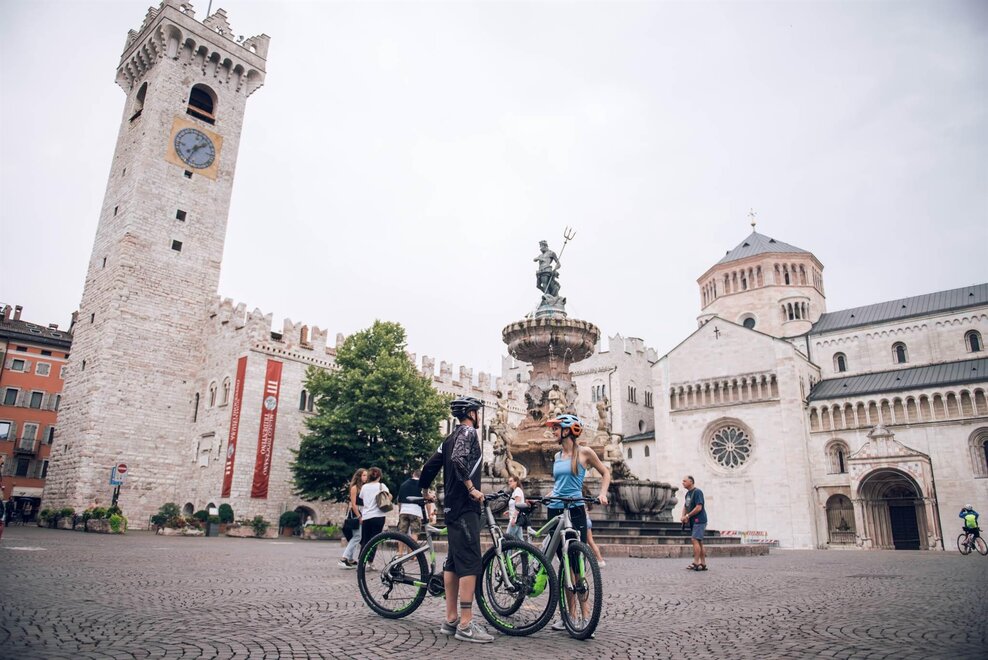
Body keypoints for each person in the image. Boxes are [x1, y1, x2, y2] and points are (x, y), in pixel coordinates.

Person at [419, 396, 494, 644]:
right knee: (471, 563)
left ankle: (451, 619)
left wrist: (424, 490)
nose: (478, 416)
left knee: (452, 563)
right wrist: (472, 488)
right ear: (471, 413)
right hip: (465, 506)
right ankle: (466, 624)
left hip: (451, 507)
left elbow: (429, 466)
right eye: (477, 412)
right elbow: (458, 460)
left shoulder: (449, 439)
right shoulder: (468, 432)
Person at [543, 413, 611, 632]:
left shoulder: (585, 452)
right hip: (555, 509)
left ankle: (586, 615)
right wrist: (548, 495)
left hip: (576, 509)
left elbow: (605, 472)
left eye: (556, 428)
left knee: (576, 563)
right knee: (564, 565)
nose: (553, 431)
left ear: (568, 430)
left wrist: (602, 493)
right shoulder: (557, 456)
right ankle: (569, 615)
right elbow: (559, 484)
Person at [359, 467, 390, 568]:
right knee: (374, 540)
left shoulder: (364, 487)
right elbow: (389, 497)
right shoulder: (382, 486)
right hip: (379, 516)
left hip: (366, 516)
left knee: (365, 539)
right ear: (379, 476)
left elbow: (362, 498)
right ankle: (370, 562)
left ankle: (361, 561)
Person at [338, 468, 367, 569]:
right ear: (359, 476)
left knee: (357, 537)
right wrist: (359, 516)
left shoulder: (364, 487)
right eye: (364, 475)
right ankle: (344, 558)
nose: (366, 477)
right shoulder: (354, 488)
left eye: (366, 475)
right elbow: (353, 504)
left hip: (363, 512)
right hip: (356, 513)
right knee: (357, 537)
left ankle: (350, 559)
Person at [680, 475, 707, 571]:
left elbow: (699, 507)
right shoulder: (688, 494)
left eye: (684, 481)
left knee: (694, 540)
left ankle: (696, 563)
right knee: (699, 541)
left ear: (691, 482)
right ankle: (703, 563)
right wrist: (683, 516)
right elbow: (685, 506)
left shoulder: (697, 492)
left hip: (699, 520)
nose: (683, 483)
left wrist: (687, 516)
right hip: (693, 520)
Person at [397, 469, 424, 555]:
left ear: (413, 474)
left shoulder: (403, 484)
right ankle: (413, 555)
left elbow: (399, 500)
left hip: (404, 510)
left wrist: (400, 510)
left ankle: (400, 553)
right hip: (415, 511)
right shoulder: (422, 484)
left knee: (402, 533)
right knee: (414, 532)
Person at [505, 475, 525, 540]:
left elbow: (518, 506)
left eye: (511, 481)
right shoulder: (516, 491)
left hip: (516, 518)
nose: (509, 483)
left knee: (508, 538)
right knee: (520, 539)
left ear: (516, 482)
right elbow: (515, 506)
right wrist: (509, 511)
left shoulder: (517, 491)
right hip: (517, 518)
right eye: (509, 481)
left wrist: (514, 518)